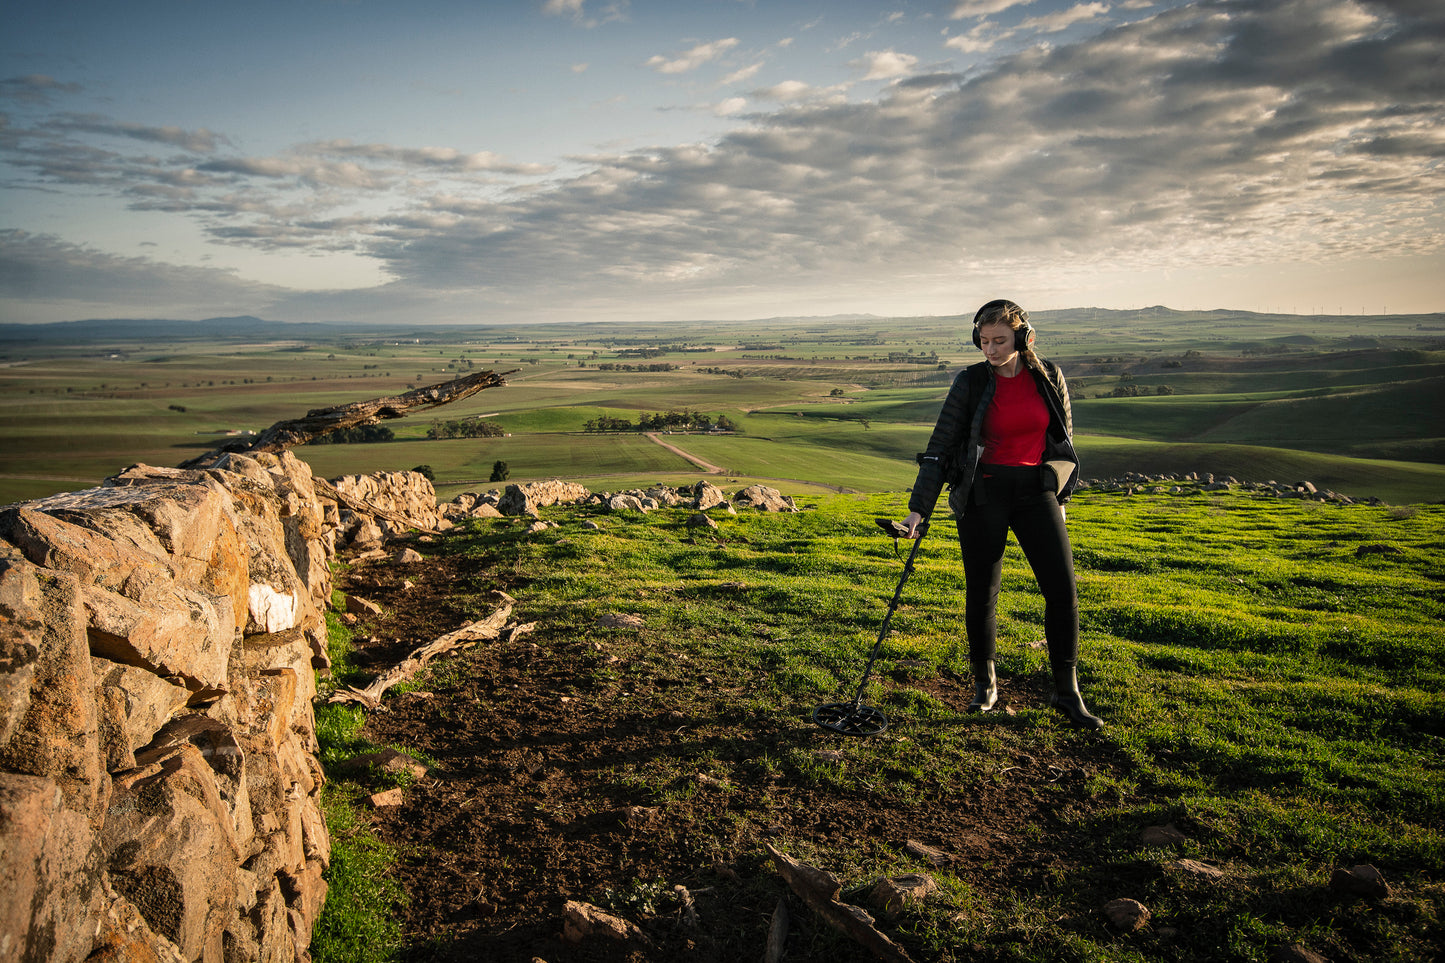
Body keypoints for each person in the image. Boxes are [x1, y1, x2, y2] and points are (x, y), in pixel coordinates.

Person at [899, 299, 1102, 729]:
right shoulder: (970, 382)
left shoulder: (1049, 376)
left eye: (999, 340)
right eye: (984, 341)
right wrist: (918, 510)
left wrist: (1061, 500)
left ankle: (1067, 691)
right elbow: (938, 449)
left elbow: (1064, 443)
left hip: (1036, 493)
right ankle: (985, 686)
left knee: (1062, 592)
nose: (990, 349)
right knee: (983, 592)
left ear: (1024, 338)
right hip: (983, 495)